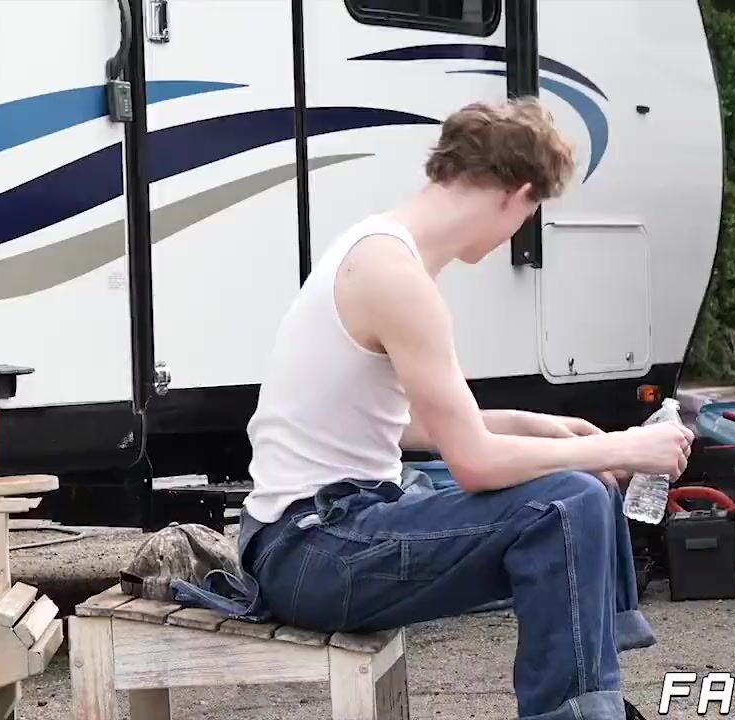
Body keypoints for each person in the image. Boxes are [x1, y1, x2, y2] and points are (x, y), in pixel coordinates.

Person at [237, 97, 693, 720]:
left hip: (311, 535)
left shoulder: (378, 249)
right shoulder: (395, 277)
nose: (519, 230)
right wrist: (625, 446)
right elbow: (474, 464)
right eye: (531, 212)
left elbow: (398, 424)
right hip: (313, 552)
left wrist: (532, 426)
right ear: (519, 195)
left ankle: (591, 701)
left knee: (578, 487)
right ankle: (583, 710)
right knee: (570, 502)